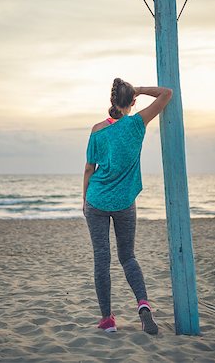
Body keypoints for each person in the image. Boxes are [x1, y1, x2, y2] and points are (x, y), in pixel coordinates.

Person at [82, 77, 173, 334]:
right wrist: (141, 90)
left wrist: (84, 199)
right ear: (132, 102)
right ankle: (143, 307)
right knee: (128, 257)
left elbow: (90, 168)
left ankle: (108, 321)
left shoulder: (97, 130)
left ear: (111, 101)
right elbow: (167, 93)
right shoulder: (137, 123)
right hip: (124, 203)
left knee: (102, 259)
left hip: (96, 199)